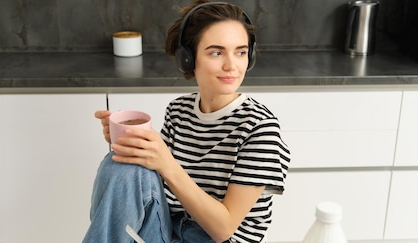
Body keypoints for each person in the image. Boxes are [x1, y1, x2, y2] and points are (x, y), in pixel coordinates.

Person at [83, 1, 291, 242]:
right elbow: (152, 184)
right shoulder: (179, 110)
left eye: (241, 52)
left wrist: (166, 163)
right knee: (120, 163)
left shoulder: (260, 128)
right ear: (188, 59)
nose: (231, 65)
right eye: (216, 52)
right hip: (169, 231)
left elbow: (224, 229)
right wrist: (134, 143)